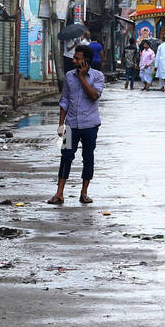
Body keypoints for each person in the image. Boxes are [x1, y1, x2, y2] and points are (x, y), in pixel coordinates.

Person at [48, 44, 103, 206]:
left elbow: (94, 96)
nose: (74, 61)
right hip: (71, 126)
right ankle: (59, 193)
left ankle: (84, 193)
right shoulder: (69, 76)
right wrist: (60, 124)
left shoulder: (98, 76)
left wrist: (82, 77)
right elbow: (64, 100)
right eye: (74, 57)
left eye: (77, 58)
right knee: (66, 157)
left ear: (86, 61)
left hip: (90, 125)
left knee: (88, 158)